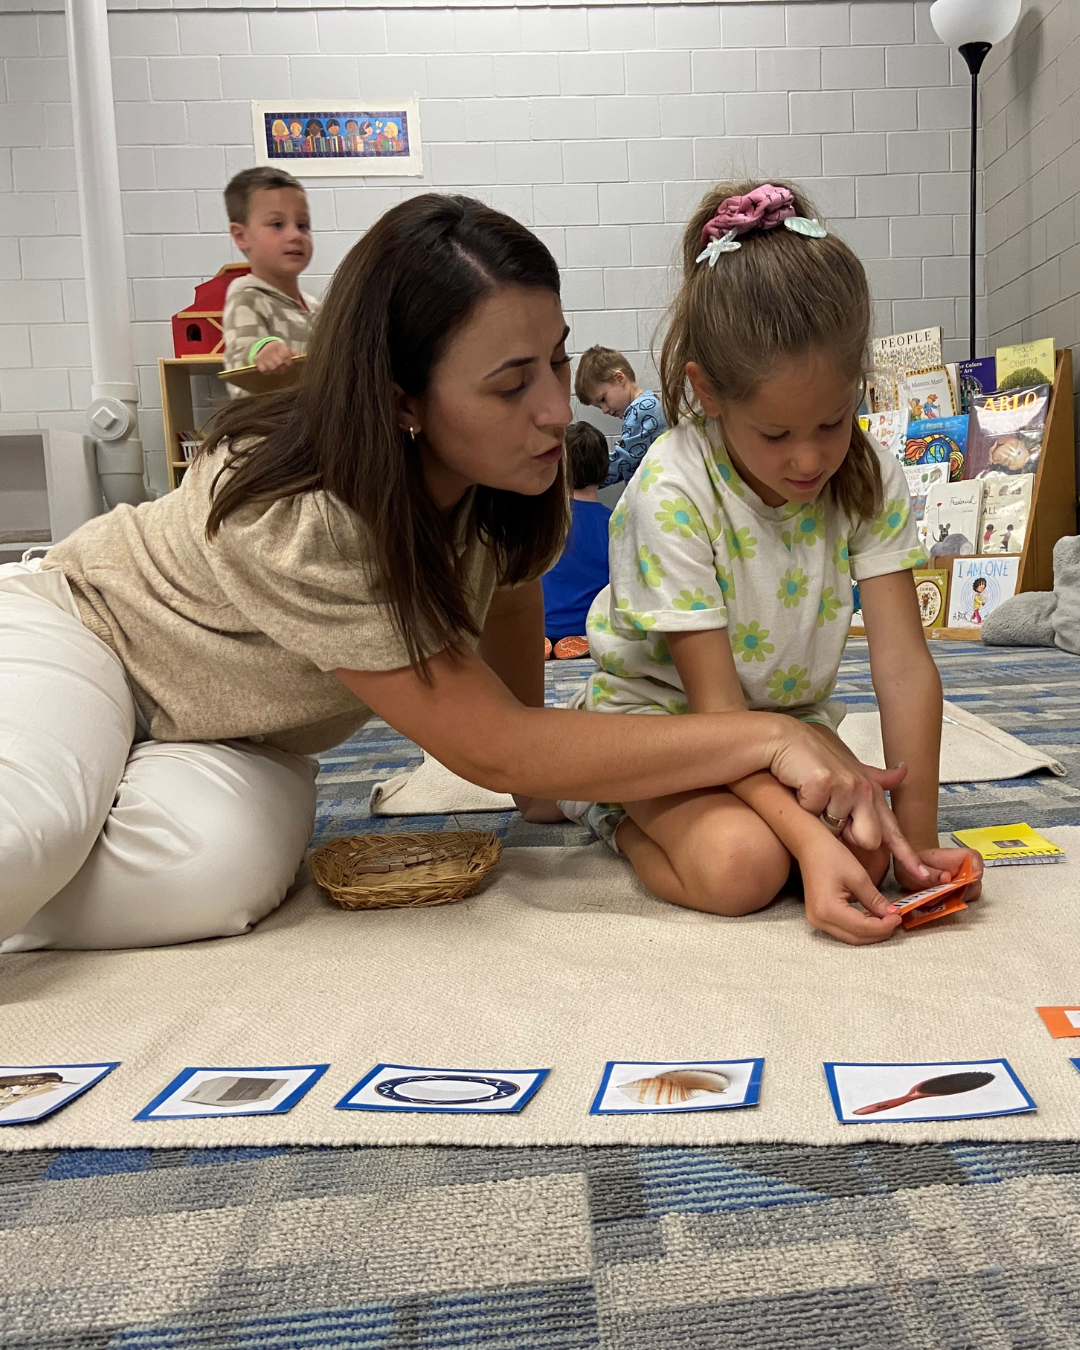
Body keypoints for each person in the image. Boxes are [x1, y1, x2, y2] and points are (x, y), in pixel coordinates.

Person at [0, 194, 922, 954]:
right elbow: (490, 744)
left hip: (227, 734)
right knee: (27, 837)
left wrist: (537, 791)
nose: (558, 409)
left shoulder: (509, 484)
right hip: (84, 635)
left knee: (219, 883)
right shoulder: (312, 516)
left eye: (558, 359)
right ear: (404, 397)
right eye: (511, 382)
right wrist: (766, 739)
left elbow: (514, 608)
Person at [566, 181, 982, 944]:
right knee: (741, 869)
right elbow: (719, 715)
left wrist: (918, 836)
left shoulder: (867, 473)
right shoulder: (671, 488)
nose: (810, 457)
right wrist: (807, 844)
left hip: (787, 729)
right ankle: (608, 809)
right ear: (707, 392)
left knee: (872, 850)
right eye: (776, 432)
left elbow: (902, 663)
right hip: (664, 726)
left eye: (832, 420)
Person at [221, 167, 320, 395]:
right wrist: (262, 348)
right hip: (262, 423)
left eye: (303, 225)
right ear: (241, 236)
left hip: (305, 419)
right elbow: (241, 349)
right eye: (277, 225)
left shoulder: (315, 308)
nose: (295, 235)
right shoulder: (246, 294)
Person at [541, 422, 612, 660]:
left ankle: (547, 642)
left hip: (543, 626)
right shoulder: (614, 524)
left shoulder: (544, 522)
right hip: (588, 630)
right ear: (605, 468)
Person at [574, 347, 667, 487]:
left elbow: (622, 462)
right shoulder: (649, 403)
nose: (604, 410)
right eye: (599, 407)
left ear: (619, 378)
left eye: (603, 399)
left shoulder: (642, 410)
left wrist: (581, 477)